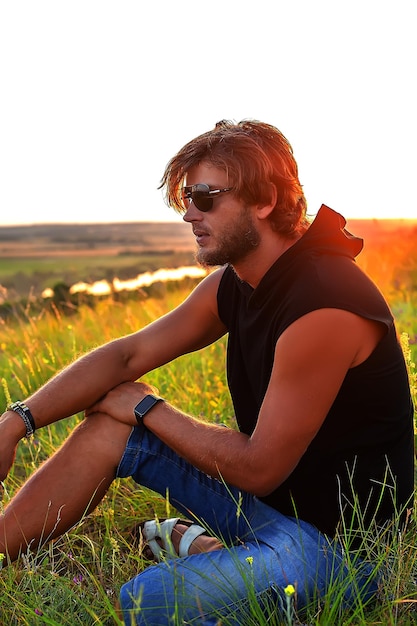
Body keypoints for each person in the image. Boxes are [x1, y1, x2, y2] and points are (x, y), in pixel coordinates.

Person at [0, 120, 414, 625]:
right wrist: (15, 423)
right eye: (185, 199)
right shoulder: (239, 282)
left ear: (264, 200)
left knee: (145, 603)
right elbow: (128, 357)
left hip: (340, 548)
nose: (190, 214)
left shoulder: (324, 307)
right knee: (110, 428)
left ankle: (217, 559)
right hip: (272, 505)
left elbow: (260, 468)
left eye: (205, 196)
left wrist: (148, 407)